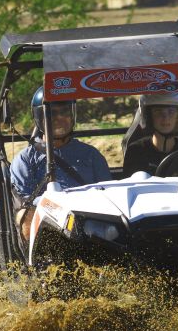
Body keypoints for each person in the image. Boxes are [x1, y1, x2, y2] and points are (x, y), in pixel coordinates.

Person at [11, 87, 112, 241]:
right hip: (48, 228)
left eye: (65, 112)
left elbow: (109, 195)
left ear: (72, 115)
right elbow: (24, 205)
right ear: (40, 117)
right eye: (51, 113)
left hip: (91, 223)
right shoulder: (25, 160)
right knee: (26, 213)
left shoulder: (91, 155)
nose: (59, 118)